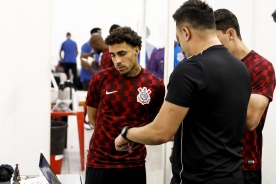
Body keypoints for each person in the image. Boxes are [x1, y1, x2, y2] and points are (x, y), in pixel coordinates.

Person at [114, 1, 252, 184]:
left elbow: (160, 132)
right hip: (233, 176)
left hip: (196, 179)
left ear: (186, 33)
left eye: (179, 40)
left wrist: (126, 134)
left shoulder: (190, 69)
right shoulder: (240, 68)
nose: (182, 49)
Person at [84, 26, 165, 184]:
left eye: (122, 53)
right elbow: (93, 118)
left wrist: (132, 139)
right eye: (113, 55)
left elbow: (153, 123)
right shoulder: (100, 80)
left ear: (137, 49)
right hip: (99, 161)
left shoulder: (154, 84)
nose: (117, 61)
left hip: (133, 163)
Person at [214, 9, 276, 184]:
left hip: (245, 164)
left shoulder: (260, 67)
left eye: (216, 40)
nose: (212, 47)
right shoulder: (214, 68)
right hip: (213, 163)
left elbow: (249, 120)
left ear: (231, 33)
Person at [80, 27, 102, 130]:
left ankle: (91, 120)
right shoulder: (86, 46)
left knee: (95, 101)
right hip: (87, 77)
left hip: (95, 76)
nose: (101, 36)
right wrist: (92, 53)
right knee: (87, 100)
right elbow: (82, 57)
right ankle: (85, 120)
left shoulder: (99, 48)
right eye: (99, 34)